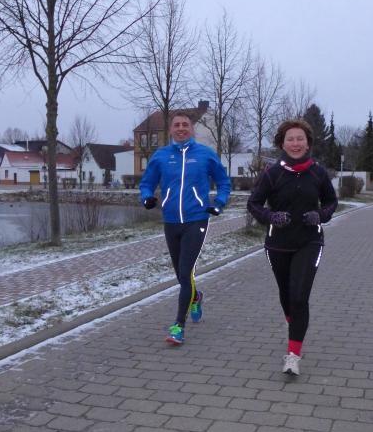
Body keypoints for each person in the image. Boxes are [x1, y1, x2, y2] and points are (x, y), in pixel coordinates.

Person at [247, 119, 338, 376]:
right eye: (290, 139)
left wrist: (320, 215)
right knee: (287, 295)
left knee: (299, 297)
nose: (295, 143)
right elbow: (253, 203)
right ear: (282, 144)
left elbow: (331, 202)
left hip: (310, 241)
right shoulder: (272, 173)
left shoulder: (318, 173)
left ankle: (293, 355)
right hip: (277, 244)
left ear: (307, 143)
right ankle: (294, 323)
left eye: (300, 139)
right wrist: (271, 217)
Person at [140, 111, 231, 345]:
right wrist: (147, 197)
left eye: (185, 125)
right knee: (180, 275)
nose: (181, 128)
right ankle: (196, 296)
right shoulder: (161, 156)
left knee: (186, 270)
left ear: (191, 129)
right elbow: (147, 183)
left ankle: (178, 326)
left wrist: (219, 203)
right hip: (171, 220)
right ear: (171, 130)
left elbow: (223, 182)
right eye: (177, 125)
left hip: (196, 219)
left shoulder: (205, 154)